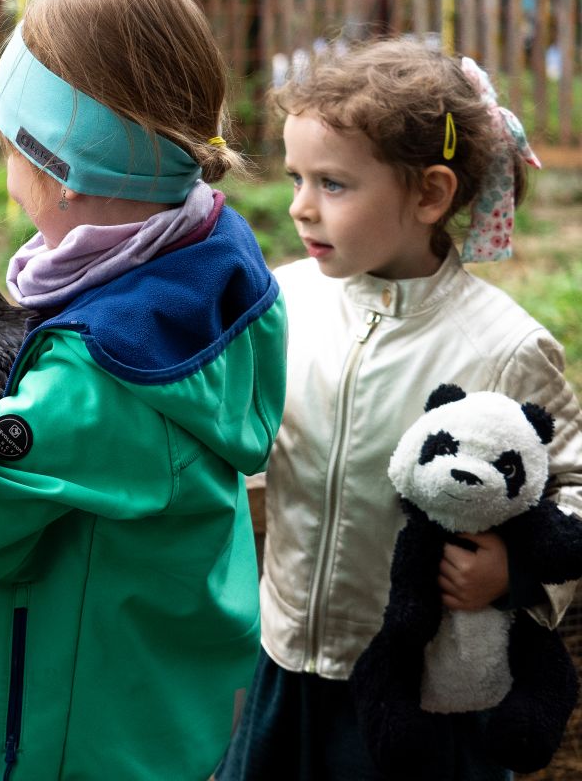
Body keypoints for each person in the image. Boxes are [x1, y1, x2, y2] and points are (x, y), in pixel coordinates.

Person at [0, 0, 288, 781]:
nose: (4, 173)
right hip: (153, 724)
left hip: (52, 750)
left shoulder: (99, 378)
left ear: (58, 171)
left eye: (10, 146)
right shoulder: (208, 276)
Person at [216, 38, 582, 781]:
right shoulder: (282, 302)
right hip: (284, 659)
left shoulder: (503, 347)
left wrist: (515, 572)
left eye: (333, 184)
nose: (300, 206)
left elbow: (573, 487)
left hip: (427, 694)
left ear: (429, 195)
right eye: (295, 178)